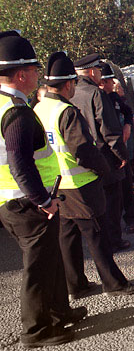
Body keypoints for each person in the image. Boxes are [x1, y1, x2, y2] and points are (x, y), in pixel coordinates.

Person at [0, 31, 86, 347]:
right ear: (21, 74)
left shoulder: (8, 104)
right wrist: (44, 200)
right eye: (35, 69)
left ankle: (60, 312)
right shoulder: (16, 112)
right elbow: (20, 163)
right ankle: (36, 331)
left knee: (50, 260)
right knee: (37, 269)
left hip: (14, 201)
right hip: (26, 203)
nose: (39, 74)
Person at [34, 52, 134, 301]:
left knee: (68, 237)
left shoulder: (40, 108)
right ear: (69, 83)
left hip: (55, 185)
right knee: (98, 236)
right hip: (80, 184)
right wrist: (105, 168)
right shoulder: (66, 111)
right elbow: (84, 151)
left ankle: (76, 284)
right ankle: (113, 283)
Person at [71, 53, 130, 253]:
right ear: (92, 71)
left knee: (95, 203)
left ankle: (101, 241)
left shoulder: (71, 93)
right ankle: (114, 240)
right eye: (97, 70)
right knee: (113, 203)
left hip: (83, 157)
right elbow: (109, 129)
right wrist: (121, 155)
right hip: (105, 156)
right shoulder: (96, 94)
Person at [99, 63, 134, 234]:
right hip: (105, 150)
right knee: (109, 192)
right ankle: (110, 227)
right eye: (107, 81)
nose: (109, 84)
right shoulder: (96, 97)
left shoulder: (114, 98)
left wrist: (128, 124)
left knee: (126, 186)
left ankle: (130, 220)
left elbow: (128, 111)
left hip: (120, 146)